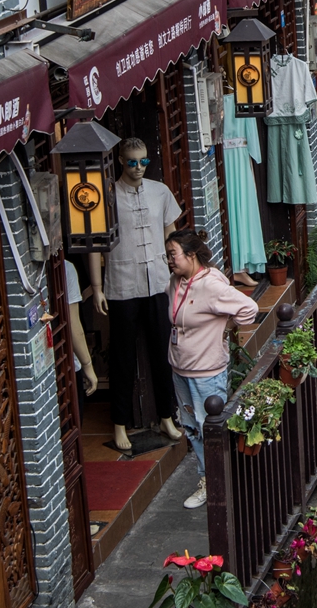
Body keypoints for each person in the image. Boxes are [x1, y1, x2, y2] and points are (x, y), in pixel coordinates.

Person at [86, 137, 183, 454]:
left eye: (143, 161)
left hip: (157, 281)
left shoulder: (160, 192)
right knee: (122, 357)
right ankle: (119, 423)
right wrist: (97, 287)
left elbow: (172, 237)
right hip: (122, 284)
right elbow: (96, 244)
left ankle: (167, 416)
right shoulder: (107, 197)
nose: (138, 167)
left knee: (161, 351)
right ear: (120, 162)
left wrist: (178, 271)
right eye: (131, 162)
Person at [167, 232, 258, 508]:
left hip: (206, 371)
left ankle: (220, 482)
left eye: (174, 254)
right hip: (179, 367)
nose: (170, 260)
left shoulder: (212, 285)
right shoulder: (175, 282)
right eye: (168, 255)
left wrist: (225, 329)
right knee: (191, 428)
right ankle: (208, 479)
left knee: (210, 430)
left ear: (191, 255)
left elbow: (248, 309)